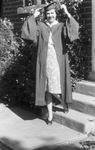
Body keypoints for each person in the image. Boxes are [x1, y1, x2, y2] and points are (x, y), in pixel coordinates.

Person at [21, 2, 79, 125]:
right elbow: (29, 32)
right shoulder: (41, 26)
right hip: (45, 60)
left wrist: (67, 13)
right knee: (47, 87)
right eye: (48, 13)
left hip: (59, 59)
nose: (50, 15)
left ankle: (64, 103)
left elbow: (73, 29)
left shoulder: (61, 26)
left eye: (52, 13)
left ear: (55, 14)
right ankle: (50, 114)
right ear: (45, 15)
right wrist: (33, 17)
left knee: (59, 82)